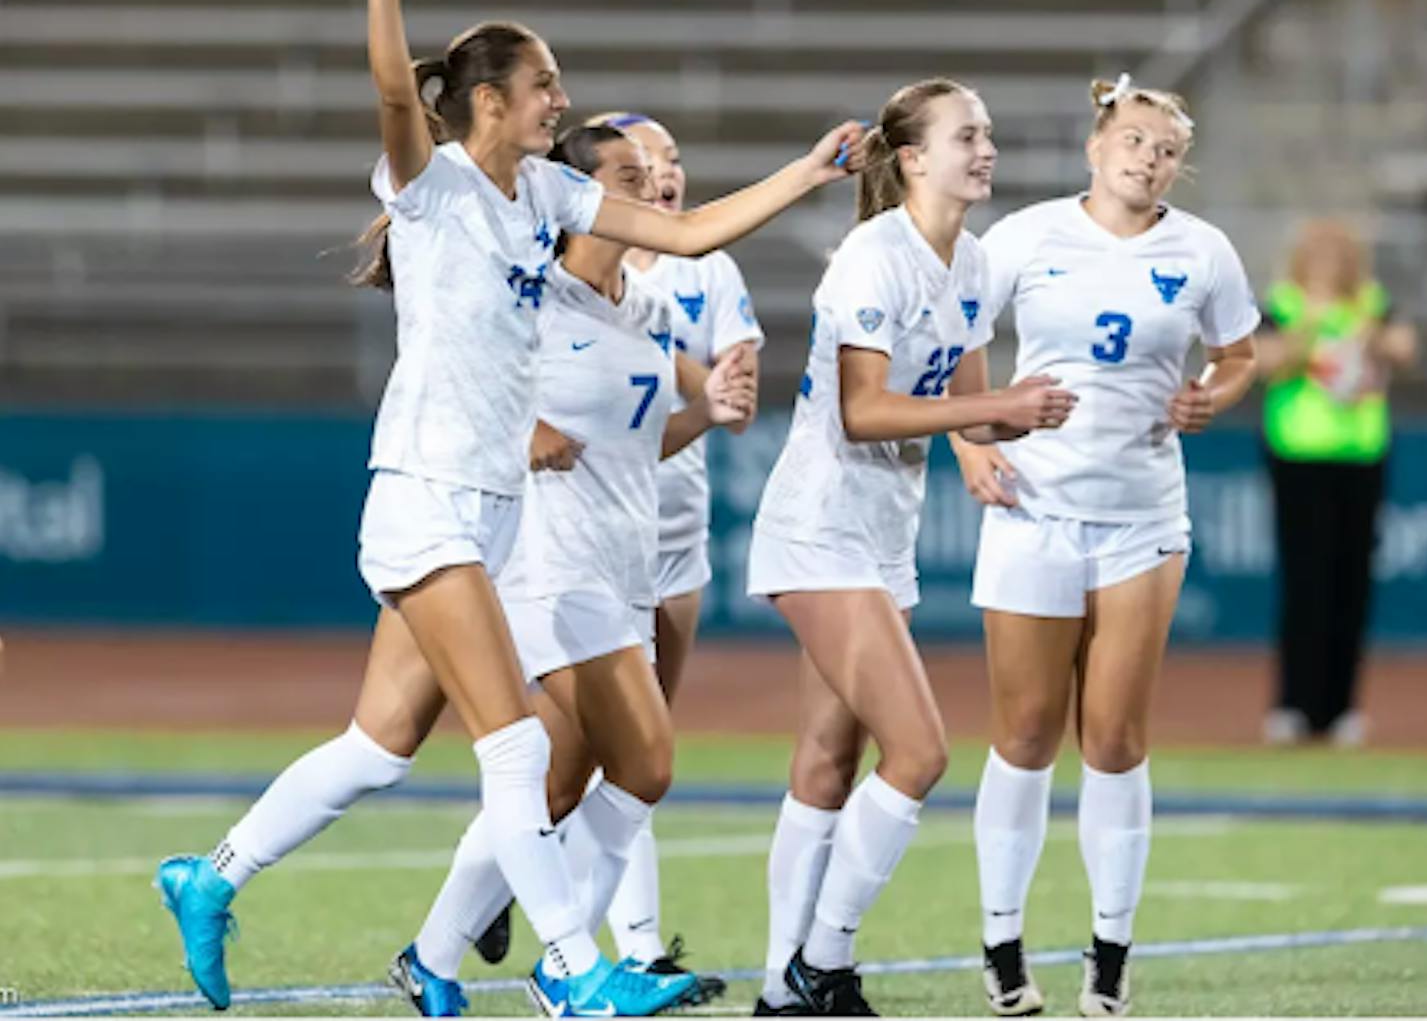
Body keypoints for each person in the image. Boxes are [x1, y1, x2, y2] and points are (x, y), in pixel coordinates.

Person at [152, 0, 862, 1015]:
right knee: (519, 744)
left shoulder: (550, 192)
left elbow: (686, 233)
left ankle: (211, 874)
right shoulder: (430, 183)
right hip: (426, 495)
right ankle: (576, 974)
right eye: (546, 87)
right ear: (490, 101)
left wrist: (808, 174)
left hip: (489, 511)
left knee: (379, 747)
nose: (561, 103)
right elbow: (395, 96)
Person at [390, 122, 753, 1016]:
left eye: (657, 174)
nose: (652, 189)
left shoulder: (643, 308)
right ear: (580, 194)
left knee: (561, 779)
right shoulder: (530, 297)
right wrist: (520, 433)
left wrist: (706, 409)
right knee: (648, 761)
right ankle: (569, 965)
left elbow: (639, 444)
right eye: (628, 176)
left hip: (623, 560)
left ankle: (432, 955)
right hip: (548, 564)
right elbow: (449, 388)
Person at [746, 78, 1077, 1016]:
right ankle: (825, 958)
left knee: (824, 762)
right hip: (820, 526)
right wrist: (995, 408)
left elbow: (968, 400)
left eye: (989, 134)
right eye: (967, 134)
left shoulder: (970, 260)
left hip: (880, 535)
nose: (987, 148)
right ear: (913, 158)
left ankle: (782, 991)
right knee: (921, 751)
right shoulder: (870, 256)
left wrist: (1014, 423)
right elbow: (863, 413)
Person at [967, 73, 1260, 1017]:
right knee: (1023, 732)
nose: (1148, 158)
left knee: (1118, 736)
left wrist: (1214, 393)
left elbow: (1241, 352)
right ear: (1096, 147)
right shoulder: (1023, 236)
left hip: (1142, 515)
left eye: (1166, 149)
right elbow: (955, 339)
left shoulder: (1204, 249)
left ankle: (1110, 948)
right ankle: (1002, 941)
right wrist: (970, 437)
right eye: (1133, 140)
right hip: (1032, 504)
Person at [1256, 218, 1418, 747]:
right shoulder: (1282, 303)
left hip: (1360, 453)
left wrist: (1365, 334)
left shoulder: (1371, 303)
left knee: (1352, 582)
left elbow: (1404, 347)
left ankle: (1341, 706)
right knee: (1305, 579)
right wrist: (1311, 330)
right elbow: (1264, 361)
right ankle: (1293, 703)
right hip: (1298, 453)